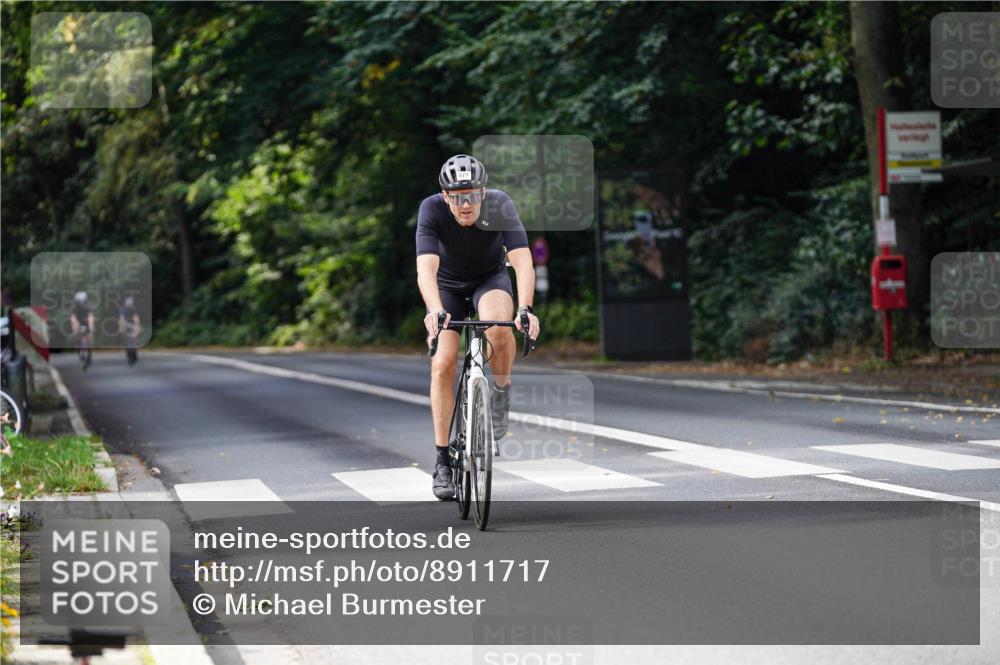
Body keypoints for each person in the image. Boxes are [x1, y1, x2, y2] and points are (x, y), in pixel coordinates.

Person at [416, 154, 541, 500]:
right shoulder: (431, 210)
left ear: (484, 193)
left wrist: (526, 308)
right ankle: (442, 460)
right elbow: (425, 269)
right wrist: (435, 310)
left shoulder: (500, 204)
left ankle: (499, 391)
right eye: (457, 197)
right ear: (445, 197)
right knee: (442, 363)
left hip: (489, 278)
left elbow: (522, 260)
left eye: (472, 194)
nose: (465, 203)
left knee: (500, 330)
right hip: (447, 287)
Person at [70, 291, 94, 369]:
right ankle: (79, 348)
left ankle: (89, 355)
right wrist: (75, 327)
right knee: (77, 335)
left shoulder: (88, 305)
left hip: (86, 322)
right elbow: (73, 318)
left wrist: (91, 327)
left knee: (89, 338)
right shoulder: (74, 307)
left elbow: (90, 316)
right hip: (78, 322)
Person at [119, 295, 141, 365]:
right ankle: (129, 353)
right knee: (126, 339)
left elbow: (136, 318)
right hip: (126, 324)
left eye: (130, 303)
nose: (129, 304)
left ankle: (134, 353)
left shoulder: (134, 309)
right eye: (128, 303)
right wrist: (121, 327)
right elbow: (121, 319)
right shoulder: (123, 309)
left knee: (134, 339)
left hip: (132, 324)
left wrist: (137, 327)